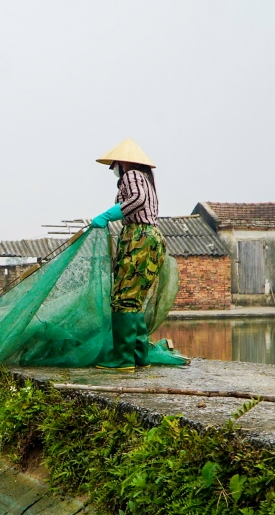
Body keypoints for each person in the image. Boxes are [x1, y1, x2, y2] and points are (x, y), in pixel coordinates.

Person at [90, 138, 169, 371]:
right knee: (134, 298)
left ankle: (123, 358)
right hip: (152, 238)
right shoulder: (146, 179)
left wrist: (107, 215)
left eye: (114, 164)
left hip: (139, 238)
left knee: (123, 297)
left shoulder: (132, 175)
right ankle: (139, 356)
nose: (113, 168)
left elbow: (137, 199)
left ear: (123, 162)